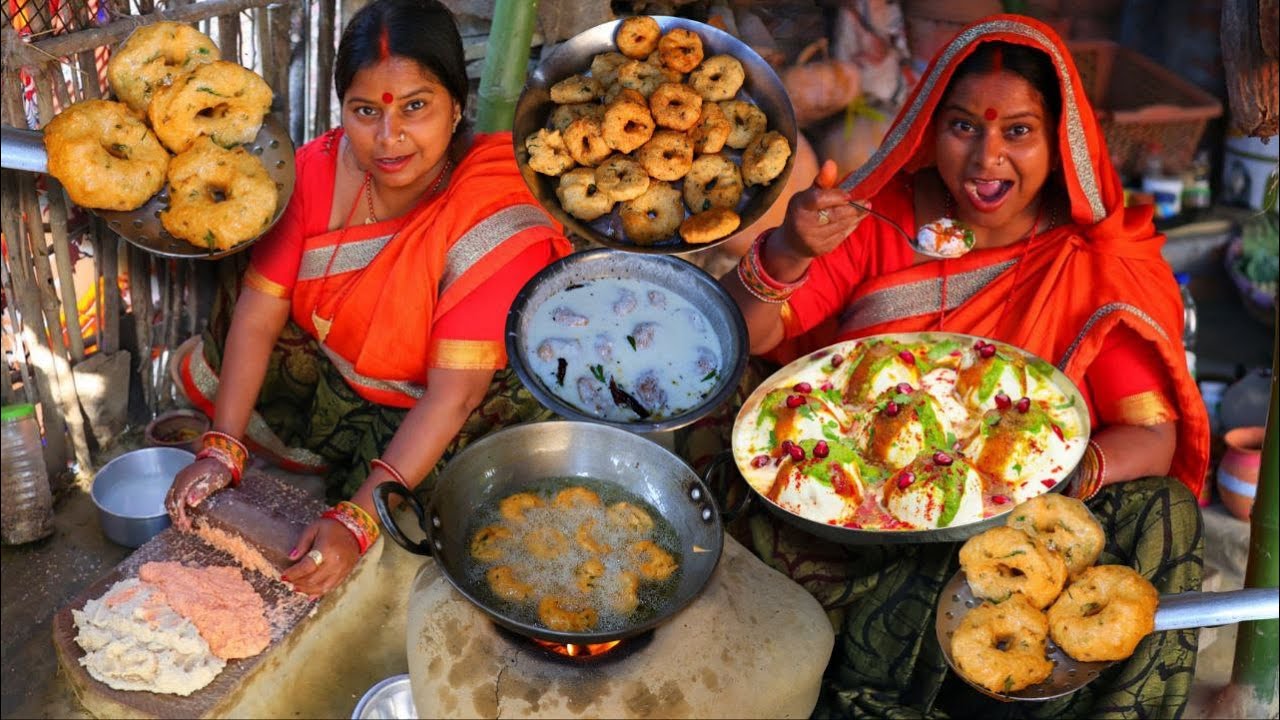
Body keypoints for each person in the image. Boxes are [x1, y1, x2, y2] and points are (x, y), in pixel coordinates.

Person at [682, 14, 1210, 718]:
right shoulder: (879, 217)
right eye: (964, 126)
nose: (987, 158)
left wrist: (1053, 484)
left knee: (1164, 514)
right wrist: (789, 251)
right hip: (860, 491)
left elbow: (1152, 435)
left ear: (1061, 141)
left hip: (1014, 507)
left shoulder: (1087, 258)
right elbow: (737, 338)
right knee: (725, 423)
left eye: (1017, 131)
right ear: (931, 129)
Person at [165, 0, 572, 597]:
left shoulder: (494, 208)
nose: (389, 138)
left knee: (441, 531)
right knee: (245, 267)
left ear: (456, 104)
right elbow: (259, 312)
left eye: (416, 107)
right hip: (338, 368)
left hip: (449, 403)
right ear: (344, 111)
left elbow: (453, 397)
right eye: (364, 112)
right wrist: (222, 446)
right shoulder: (315, 170)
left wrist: (355, 520)